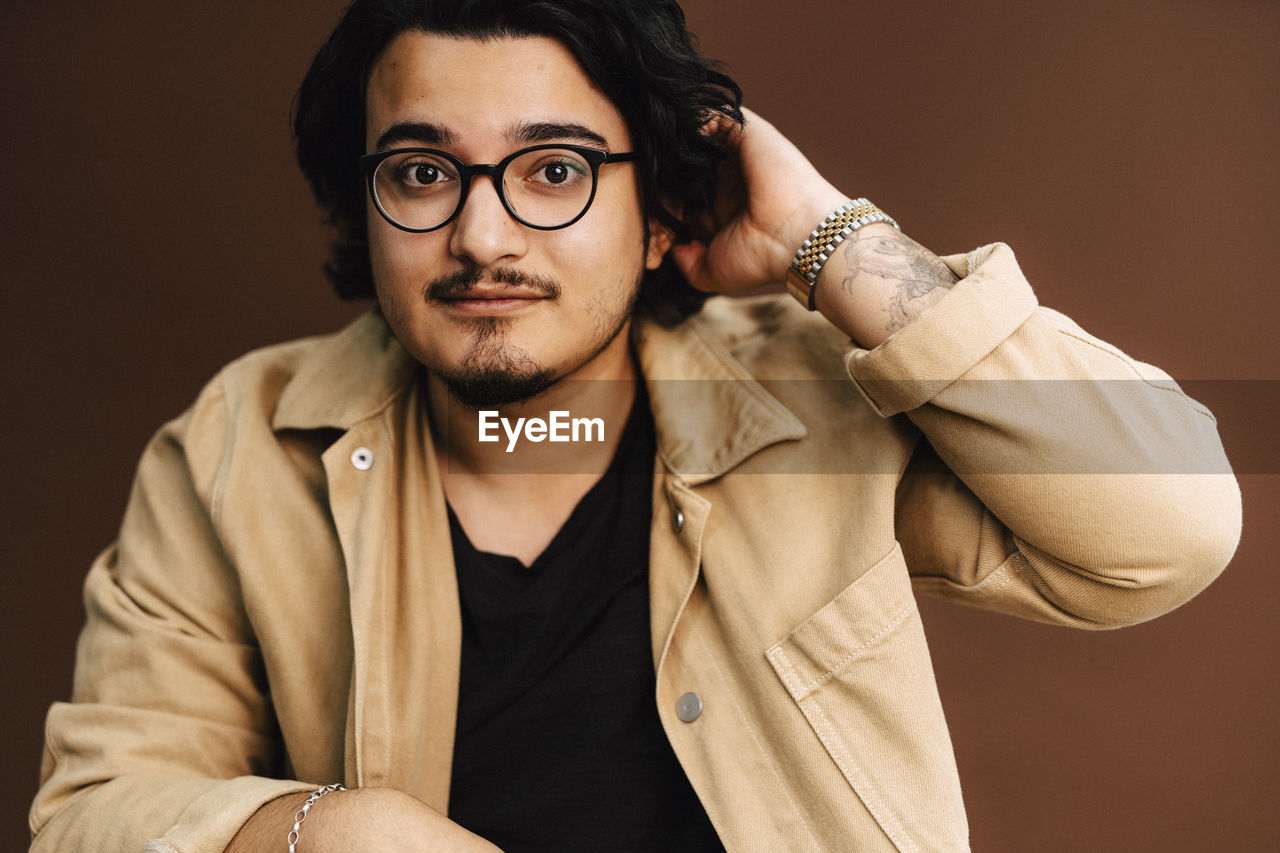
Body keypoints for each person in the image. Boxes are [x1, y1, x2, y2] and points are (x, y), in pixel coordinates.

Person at [29, 0, 1241, 850]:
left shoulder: (809, 402)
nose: (482, 237)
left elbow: (1166, 526)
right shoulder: (242, 440)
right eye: (419, 170)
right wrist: (333, 830)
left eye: (552, 169)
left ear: (659, 208)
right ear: (366, 195)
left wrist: (830, 242)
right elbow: (91, 814)